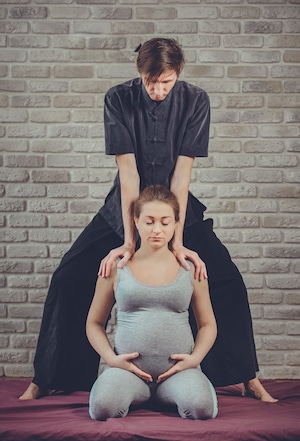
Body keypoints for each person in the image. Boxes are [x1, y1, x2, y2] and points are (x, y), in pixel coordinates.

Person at [20, 37, 276, 402]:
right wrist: (128, 239)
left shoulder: (195, 101)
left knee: (229, 282)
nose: (157, 90)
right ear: (140, 74)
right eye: (150, 82)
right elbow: (129, 176)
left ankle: (246, 378)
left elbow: (182, 176)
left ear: (178, 74)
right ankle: (46, 378)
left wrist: (179, 239)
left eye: (166, 82)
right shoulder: (118, 98)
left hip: (177, 208)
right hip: (124, 207)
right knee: (67, 278)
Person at [87, 185, 218, 420]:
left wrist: (195, 359)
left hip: (178, 373)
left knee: (201, 409)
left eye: (165, 222)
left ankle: (183, 390)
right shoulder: (115, 267)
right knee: (103, 409)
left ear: (177, 223)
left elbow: (208, 324)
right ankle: (119, 389)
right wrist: (111, 359)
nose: (157, 229)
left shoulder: (191, 268)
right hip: (129, 374)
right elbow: (94, 323)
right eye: (149, 221)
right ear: (135, 221)